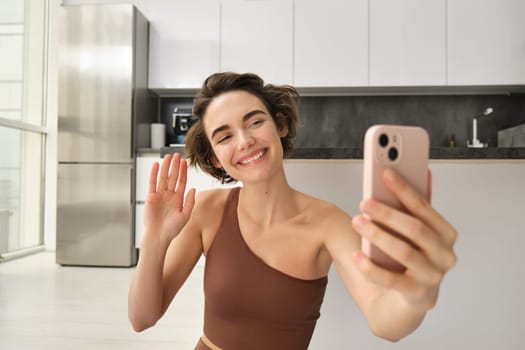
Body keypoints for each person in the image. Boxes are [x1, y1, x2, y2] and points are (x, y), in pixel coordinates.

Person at [128, 72, 457, 350]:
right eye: (225, 136)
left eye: (255, 121)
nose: (244, 141)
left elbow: (385, 321)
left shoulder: (328, 223)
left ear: (280, 126)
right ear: (216, 158)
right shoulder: (206, 210)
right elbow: (142, 318)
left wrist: (416, 296)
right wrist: (154, 239)